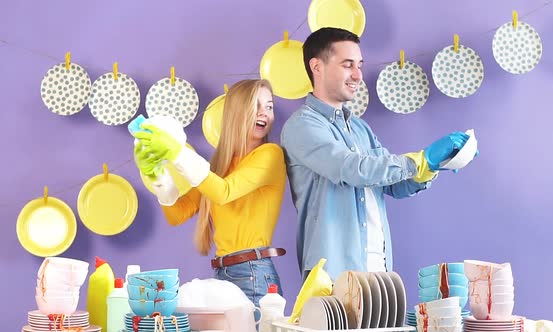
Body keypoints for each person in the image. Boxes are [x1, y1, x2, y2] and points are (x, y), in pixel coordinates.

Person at [280, 27, 472, 281]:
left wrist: (435, 164)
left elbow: (393, 185)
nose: (358, 75)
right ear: (317, 67)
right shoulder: (302, 126)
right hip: (334, 271)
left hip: (379, 268)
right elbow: (351, 169)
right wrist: (421, 159)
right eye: (348, 65)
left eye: (359, 65)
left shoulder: (361, 128)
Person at [133, 79, 287, 308]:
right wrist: (157, 176)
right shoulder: (218, 167)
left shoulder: (270, 155)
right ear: (236, 112)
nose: (264, 113)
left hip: (253, 273)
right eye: (255, 106)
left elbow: (224, 192)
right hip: (224, 274)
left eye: (269, 106)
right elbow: (177, 214)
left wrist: (177, 152)